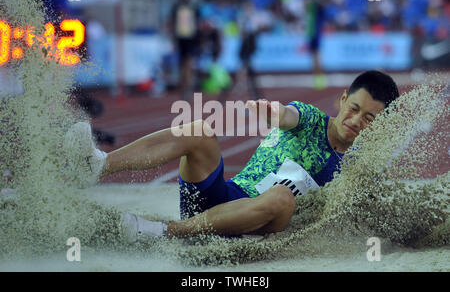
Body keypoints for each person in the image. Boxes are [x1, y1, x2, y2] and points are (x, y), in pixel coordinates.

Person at [65, 70, 399, 242]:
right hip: (220, 200)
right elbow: (286, 115)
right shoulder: (309, 118)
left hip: (260, 223)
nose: (355, 121)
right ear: (342, 99)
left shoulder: (357, 166)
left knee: (282, 197)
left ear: (380, 124)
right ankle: (97, 166)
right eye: (354, 109)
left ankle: (164, 232)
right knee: (198, 130)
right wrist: (272, 112)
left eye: (369, 118)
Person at [169, 0, 200, 100]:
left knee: (188, 63)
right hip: (181, 38)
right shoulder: (176, 8)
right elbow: (172, 24)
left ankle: (187, 87)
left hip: (191, 38)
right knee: (182, 64)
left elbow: (197, 24)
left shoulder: (194, 8)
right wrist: (173, 39)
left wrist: (198, 40)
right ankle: (184, 86)